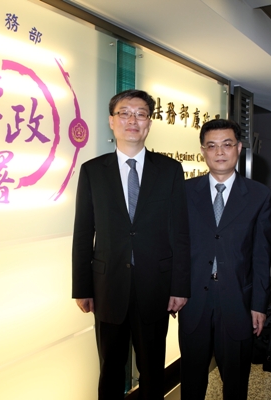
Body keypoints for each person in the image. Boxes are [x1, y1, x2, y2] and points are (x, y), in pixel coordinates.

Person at [72, 89, 191, 400]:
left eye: (140, 114)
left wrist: (180, 286)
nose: (132, 120)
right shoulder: (92, 171)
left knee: (153, 368)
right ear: (112, 122)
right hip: (107, 285)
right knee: (110, 368)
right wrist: (81, 287)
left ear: (149, 123)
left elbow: (180, 231)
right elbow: (84, 232)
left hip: (156, 285)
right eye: (124, 113)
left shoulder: (169, 170)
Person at [178, 118, 271, 399]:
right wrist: (175, 290)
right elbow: (177, 247)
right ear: (203, 151)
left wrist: (259, 304)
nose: (220, 152)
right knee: (192, 381)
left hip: (238, 304)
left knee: (235, 383)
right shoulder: (184, 192)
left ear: (239, 148)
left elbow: (261, 254)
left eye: (227, 144)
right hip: (194, 301)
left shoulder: (259, 195)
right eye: (212, 146)